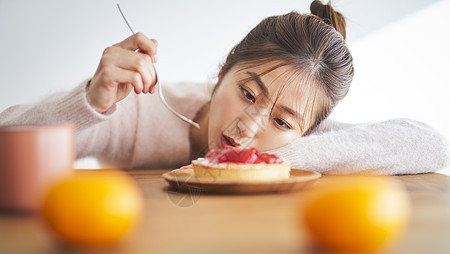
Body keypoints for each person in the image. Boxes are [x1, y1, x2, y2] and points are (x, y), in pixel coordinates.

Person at [0, 1, 448, 174]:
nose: (248, 125)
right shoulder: (138, 110)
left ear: (306, 132)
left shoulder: (298, 144)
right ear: (222, 72)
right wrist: (87, 104)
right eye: (248, 93)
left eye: (281, 120)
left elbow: (428, 145)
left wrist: (262, 159)